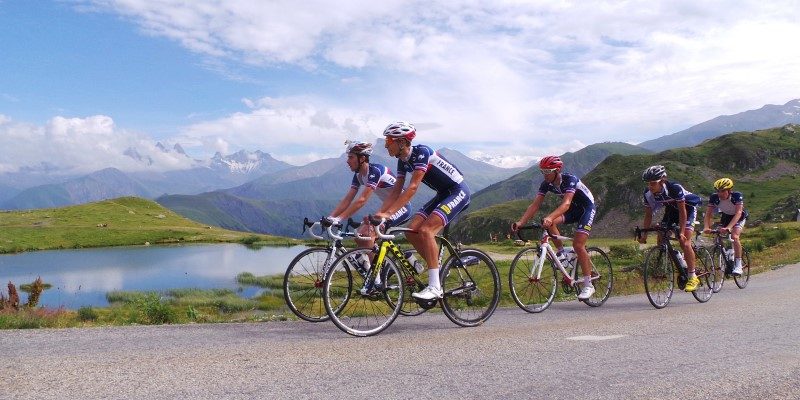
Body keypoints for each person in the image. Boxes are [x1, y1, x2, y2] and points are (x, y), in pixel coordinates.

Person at [375, 121, 471, 300]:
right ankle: (438, 269)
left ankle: (435, 287)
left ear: (402, 142)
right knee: (412, 231)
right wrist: (381, 214)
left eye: (389, 140)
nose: (386, 144)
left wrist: (389, 213)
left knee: (426, 231)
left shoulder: (421, 153)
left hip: (458, 191)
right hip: (443, 193)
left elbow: (412, 188)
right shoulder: (403, 161)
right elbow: (396, 191)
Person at [325, 140, 411, 290]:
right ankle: (380, 267)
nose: (347, 161)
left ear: (362, 158)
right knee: (360, 236)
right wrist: (331, 217)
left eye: (351, 157)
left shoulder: (375, 171)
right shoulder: (359, 176)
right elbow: (348, 199)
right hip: (387, 209)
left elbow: (362, 200)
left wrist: (339, 218)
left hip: (401, 207)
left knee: (368, 234)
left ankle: (376, 280)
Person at [511, 155, 598, 300]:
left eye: (547, 171)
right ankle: (562, 254)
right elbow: (535, 205)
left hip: (586, 208)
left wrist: (550, 217)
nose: (545, 175)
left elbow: (566, 204)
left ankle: (588, 285)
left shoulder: (570, 179)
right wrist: (521, 222)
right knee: (550, 224)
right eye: (542, 172)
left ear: (557, 170)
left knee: (578, 245)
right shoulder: (546, 184)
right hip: (573, 209)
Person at [637, 165, 703, 291]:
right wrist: (644, 235)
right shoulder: (648, 193)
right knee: (661, 237)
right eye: (648, 184)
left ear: (662, 181)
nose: (650, 187)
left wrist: (682, 232)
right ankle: (679, 260)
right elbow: (648, 214)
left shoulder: (674, 188)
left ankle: (692, 276)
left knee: (684, 241)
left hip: (687, 209)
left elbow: (683, 212)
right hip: (671, 210)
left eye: (653, 183)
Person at [703, 178, 748, 275]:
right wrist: (706, 227)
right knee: (718, 236)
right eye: (718, 191)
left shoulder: (736, 196)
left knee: (734, 237)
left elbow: (738, 212)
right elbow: (708, 214)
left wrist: (729, 227)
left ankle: (738, 265)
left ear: (729, 190)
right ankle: (728, 255)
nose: (720, 193)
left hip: (739, 217)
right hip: (726, 216)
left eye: (722, 191)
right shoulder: (714, 197)